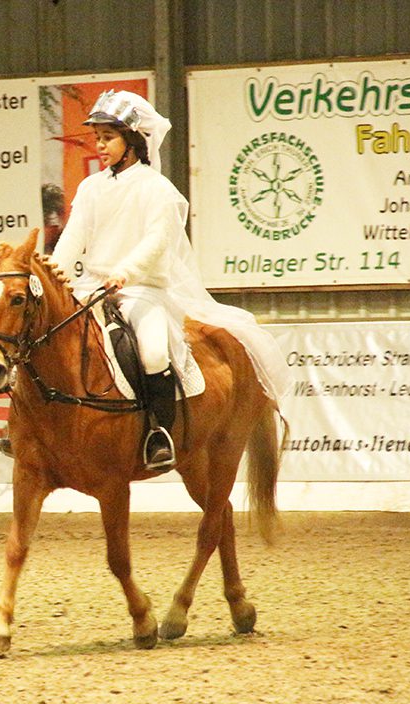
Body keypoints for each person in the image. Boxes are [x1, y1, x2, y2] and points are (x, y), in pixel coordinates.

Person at [47, 90, 290, 471]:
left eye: (107, 137)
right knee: (46, 334)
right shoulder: (92, 188)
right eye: (98, 138)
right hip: (92, 286)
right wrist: (53, 273)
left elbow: (157, 242)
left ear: (133, 141)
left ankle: (157, 433)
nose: (100, 145)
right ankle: (34, 428)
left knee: (155, 350)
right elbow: (73, 238)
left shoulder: (156, 189)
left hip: (141, 290)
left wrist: (123, 272)